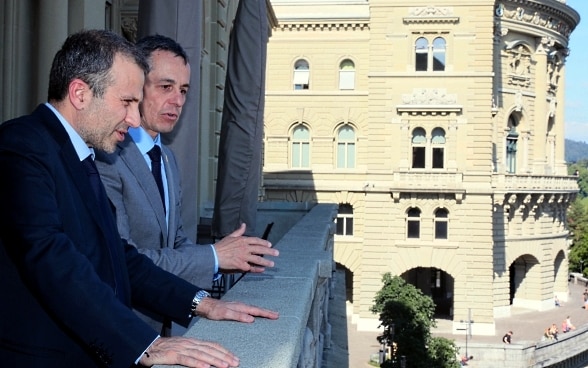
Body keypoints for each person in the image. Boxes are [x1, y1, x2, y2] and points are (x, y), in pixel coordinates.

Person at [0, 29, 278, 368]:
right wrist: (144, 343)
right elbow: (51, 258)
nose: (134, 119)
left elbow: (121, 259)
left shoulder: (80, 154)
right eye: (127, 102)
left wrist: (204, 304)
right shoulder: (21, 145)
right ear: (80, 93)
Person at [95, 34, 279, 334]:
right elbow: (124, 261)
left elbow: (177, 244)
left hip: (163, 329)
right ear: (136, 86)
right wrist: (215, 256)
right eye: (166, 87)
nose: (178, 101)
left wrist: (223, 264)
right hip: (118, 334)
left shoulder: (167, 159)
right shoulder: (106, 156)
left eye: (183, 90)